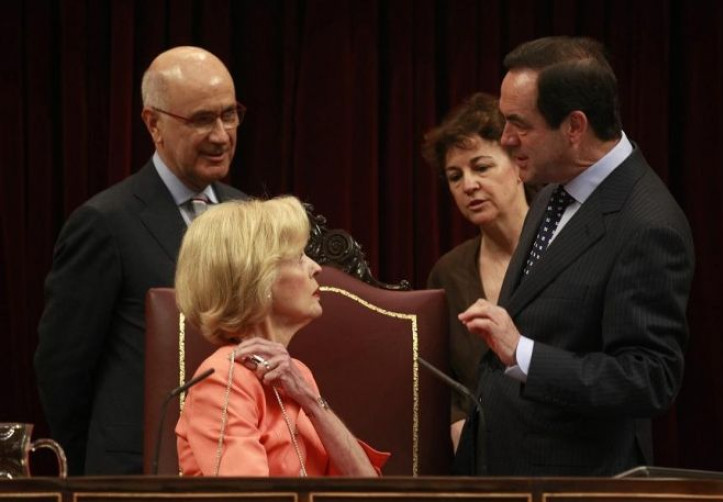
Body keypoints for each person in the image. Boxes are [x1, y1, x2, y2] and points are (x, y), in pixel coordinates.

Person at [453, 36, 695, 476]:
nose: (505, 140)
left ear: (575, 127)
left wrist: (521, 352)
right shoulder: (551, 192)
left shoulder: (649, 223)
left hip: (576, 483)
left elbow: (648, 379)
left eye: (519, 124)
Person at [34, 46, 248, 475]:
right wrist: (98, 466)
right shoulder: (104, 224)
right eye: (203, 119)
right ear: (154, 124)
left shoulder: (247, 214)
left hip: (233, 467)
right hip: (135, 474)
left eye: (230, 114)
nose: (222, 135)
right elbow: (62, 371)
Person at [174, 197, 390, 476]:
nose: (316, 267)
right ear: (259, 279)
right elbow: (249, 500)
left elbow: (366, 485)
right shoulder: (224, 380)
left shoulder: (296, 374)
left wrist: (311, 402)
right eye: (300, 257)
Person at [421, 93, 530, 451]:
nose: (468, 185)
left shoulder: (565, 250)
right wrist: (455, 421)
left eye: (481, 168)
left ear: (519, 165)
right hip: (480, 459)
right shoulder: (448, 273)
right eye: (455, 176)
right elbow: (439, 378)